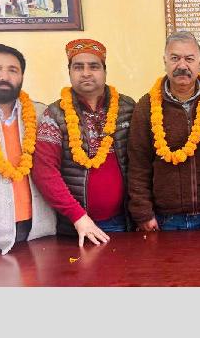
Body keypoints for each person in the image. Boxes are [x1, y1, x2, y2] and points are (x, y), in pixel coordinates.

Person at [32, 39, 136, 247]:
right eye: (78, 67)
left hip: (123, 221)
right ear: (69, 72)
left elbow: (142, 160)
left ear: (105, 71)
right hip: (75, 226)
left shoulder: (127, 107)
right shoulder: (54, 114)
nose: (86, 73)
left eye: (93, 66)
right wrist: (78, 216)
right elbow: (44, 172)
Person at [128, 31, 200, 231]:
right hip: (166, 219)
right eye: (175, 58)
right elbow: (138, 164)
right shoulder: (146, 106)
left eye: (189, 59)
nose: (182, 66)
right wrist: (143, 212)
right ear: (165, 61)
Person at [0, 44, 56, 255]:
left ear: (22, 76)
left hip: (38, 230)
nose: (4, 76)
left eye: (12, 70)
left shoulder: (41, 114)